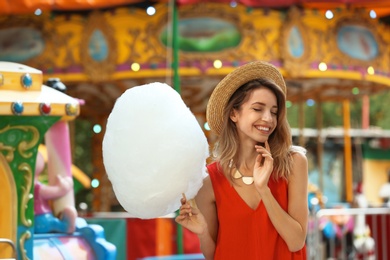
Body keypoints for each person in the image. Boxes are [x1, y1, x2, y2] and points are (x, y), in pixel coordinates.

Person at [175, 61, 308, 259]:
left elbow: (296, 241)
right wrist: (202, 232)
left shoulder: (294, 163)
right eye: (258, 109)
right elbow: (214, 255)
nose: (269, 119)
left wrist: (264, 191)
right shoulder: (210, 179)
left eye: (273, 111)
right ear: (234, 114)